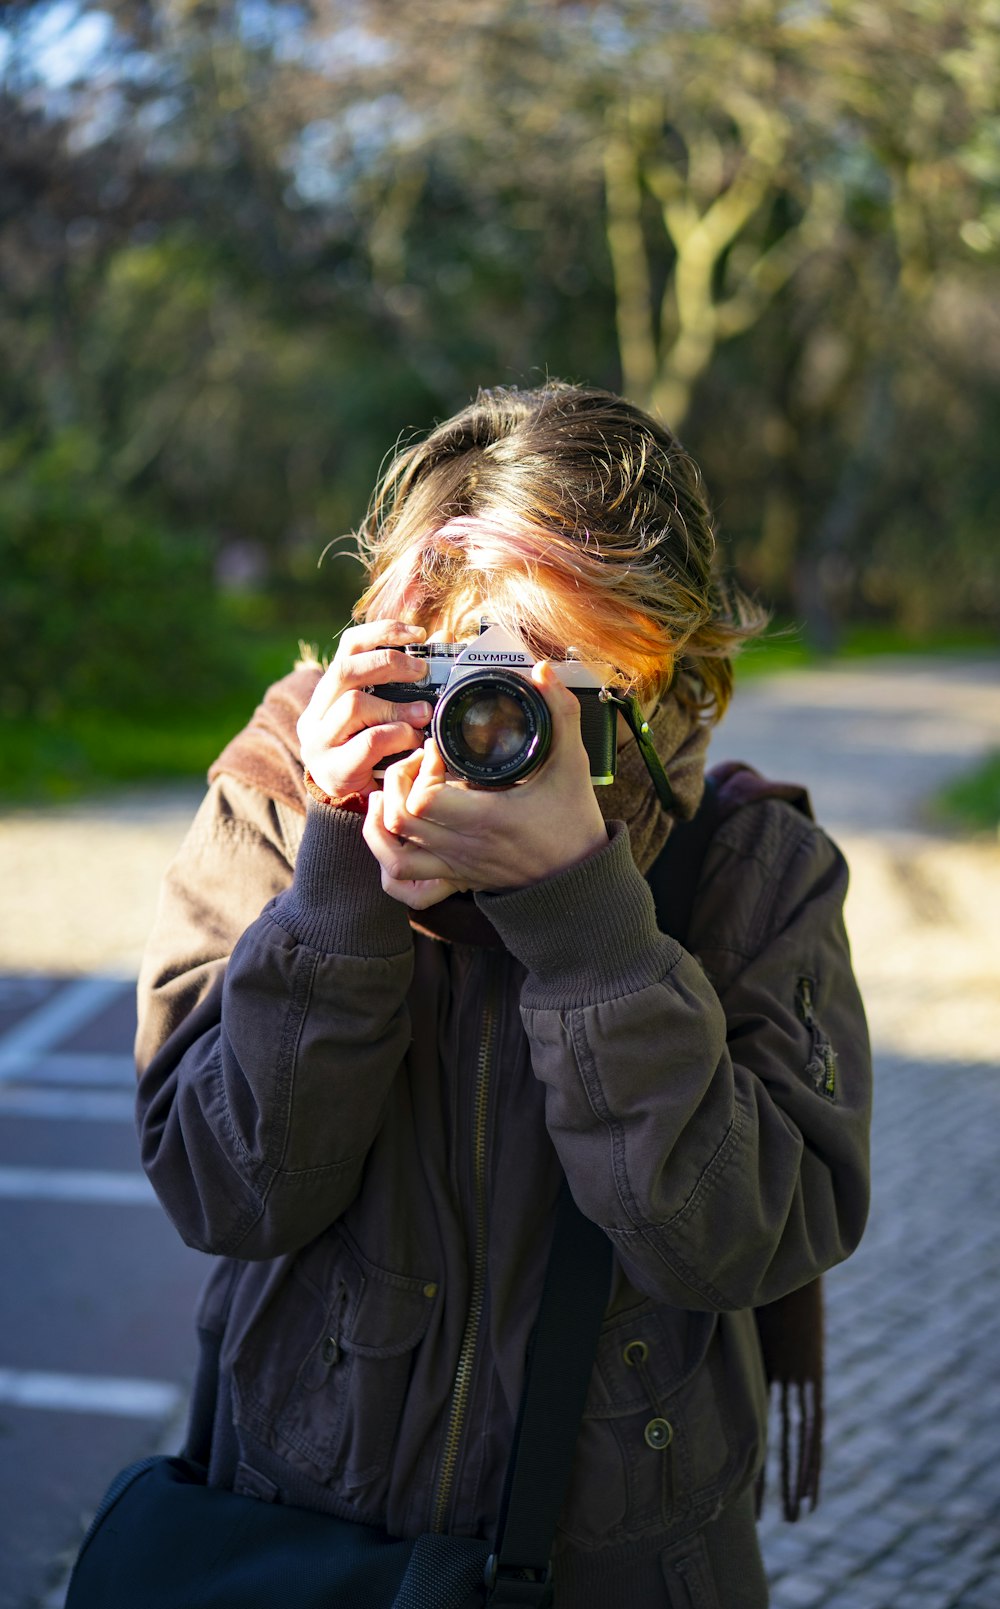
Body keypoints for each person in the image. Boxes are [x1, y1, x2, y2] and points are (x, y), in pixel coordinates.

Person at [135, 382, 871, 1607]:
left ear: (664, 673)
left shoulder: (750, 867)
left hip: (618, 1562)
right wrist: (339, 884)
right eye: (466, 663)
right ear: (396, 630)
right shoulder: (283, 793)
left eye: (559, 680)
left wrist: (586, 921)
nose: (493, 720)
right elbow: (226, 1189)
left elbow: (747, 1234)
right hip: (300, 1538)